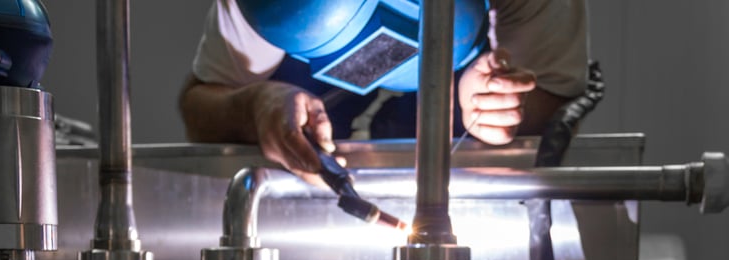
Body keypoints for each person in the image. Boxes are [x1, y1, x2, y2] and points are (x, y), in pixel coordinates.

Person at [179, 0, 588, 181]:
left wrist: (490, 104)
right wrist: (254, 108)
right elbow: (202, 106)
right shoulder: (266, 8)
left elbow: (554, 100)